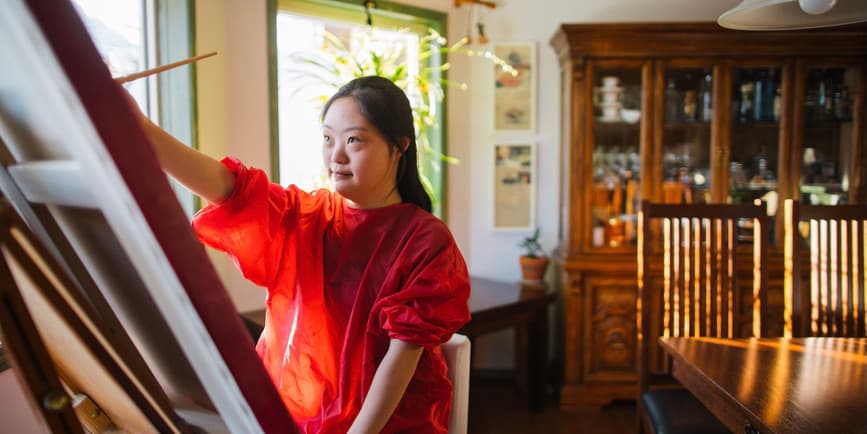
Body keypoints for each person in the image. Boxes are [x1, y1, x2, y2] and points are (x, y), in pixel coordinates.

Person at [127, 75, 471, 434]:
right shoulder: (307, 217)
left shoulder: (427, 241)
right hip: (293, 417)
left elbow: (401, 360)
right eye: (327, 138)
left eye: (354, 140)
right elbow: (232, 189)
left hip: (387, 423)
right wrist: (140, 127)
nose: (335, 155)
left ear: (400, 146)